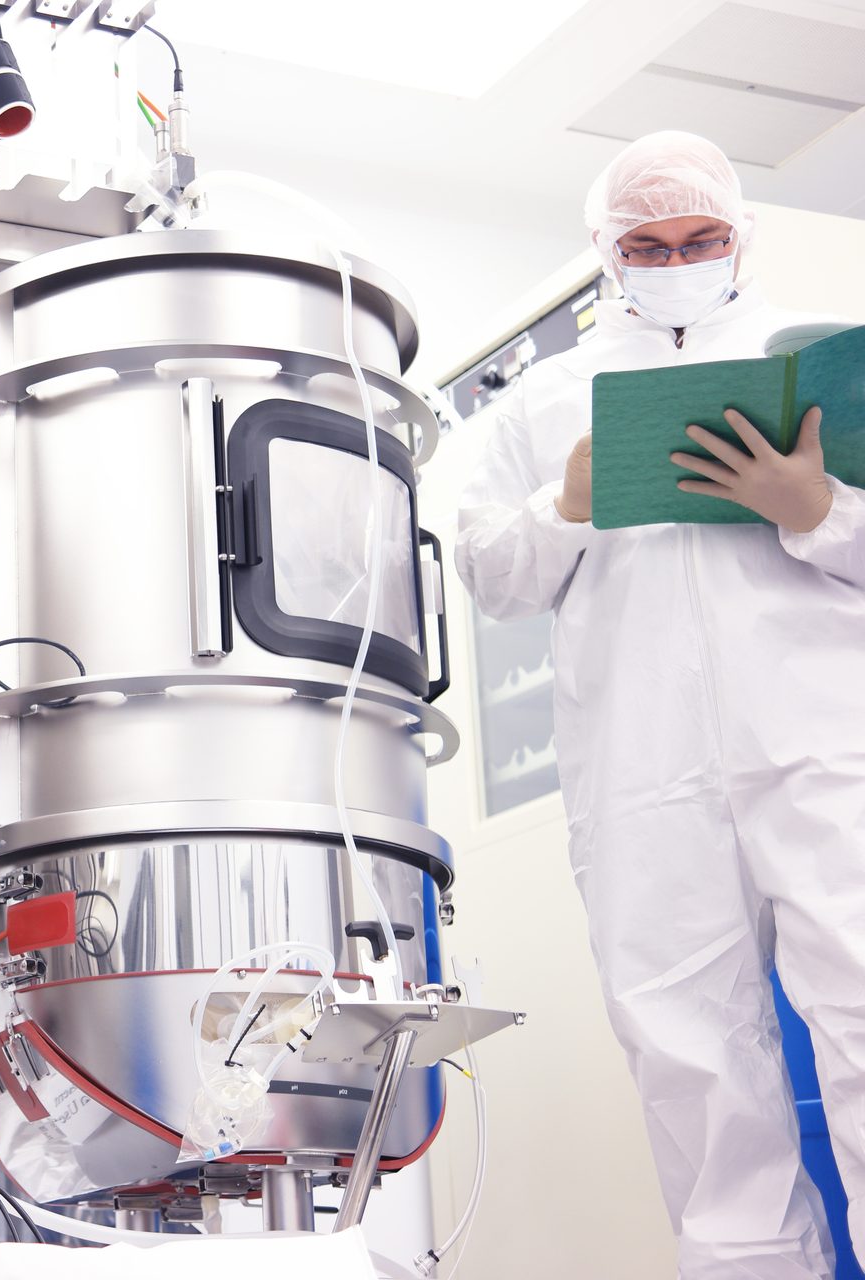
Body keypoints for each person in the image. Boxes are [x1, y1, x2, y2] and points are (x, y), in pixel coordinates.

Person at [455, 130, 865, 1277]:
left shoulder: (825, 360)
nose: (678, 261)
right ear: (606, 250)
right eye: (649, 245)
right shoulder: (539, 404)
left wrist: (819, 508)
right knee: (694, 1063)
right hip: (644, 773)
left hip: (825, 746)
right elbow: (491, 576)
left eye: (701, 238)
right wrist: (565, 505)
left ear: (741, 234)